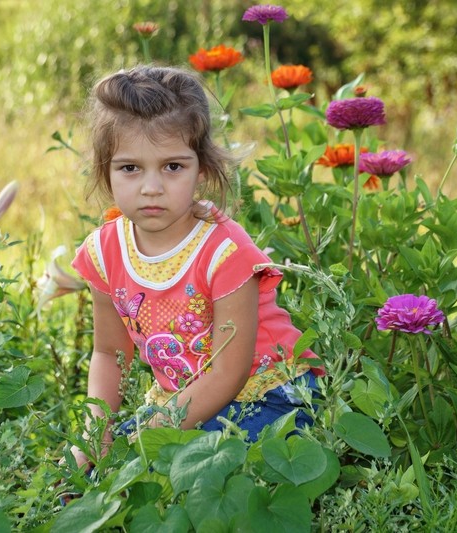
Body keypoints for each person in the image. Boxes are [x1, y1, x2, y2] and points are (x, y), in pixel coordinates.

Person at [69, 65, 324, 470]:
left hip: (271, 394)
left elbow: (229, 371)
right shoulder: (105, 251)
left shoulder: (224, 250)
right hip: (184, 403)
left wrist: (157, 430)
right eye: (130, 168)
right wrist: (95, 434)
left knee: (187, 465)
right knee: (95, 467)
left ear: (201, 168)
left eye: (172, 167)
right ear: (105, 170)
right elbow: (108, 352)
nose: (151, 187)